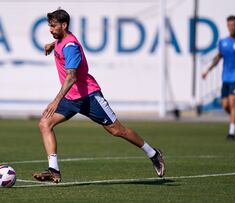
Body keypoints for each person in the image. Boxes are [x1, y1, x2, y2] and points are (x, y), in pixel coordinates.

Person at [32, 9, 165, 183]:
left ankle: (153, 153)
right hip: (71, 99)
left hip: (89, 97)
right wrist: (51, 44)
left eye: (53, 26)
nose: (50, 29)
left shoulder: (70, 47)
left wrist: (55, 101)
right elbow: (60, 45)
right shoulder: (60, 40)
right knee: (44, 123)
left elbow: (71, 77)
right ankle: (54, 170)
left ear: (64, 25)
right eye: (49, 26)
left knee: (117, 130)